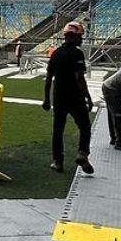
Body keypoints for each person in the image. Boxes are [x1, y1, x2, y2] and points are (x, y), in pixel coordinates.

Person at [42, 21, 93, 175]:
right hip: (75, 97)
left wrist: (46, 99)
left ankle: (58, 162)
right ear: (74, 37)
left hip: (59, 98)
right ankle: (82, 153)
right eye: (80, 36)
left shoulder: (56, 53)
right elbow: (79, 78)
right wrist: (88, 97)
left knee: (58, 130)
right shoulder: (77, 54)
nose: (82, 40)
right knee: (85, 127)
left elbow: (49, 77)